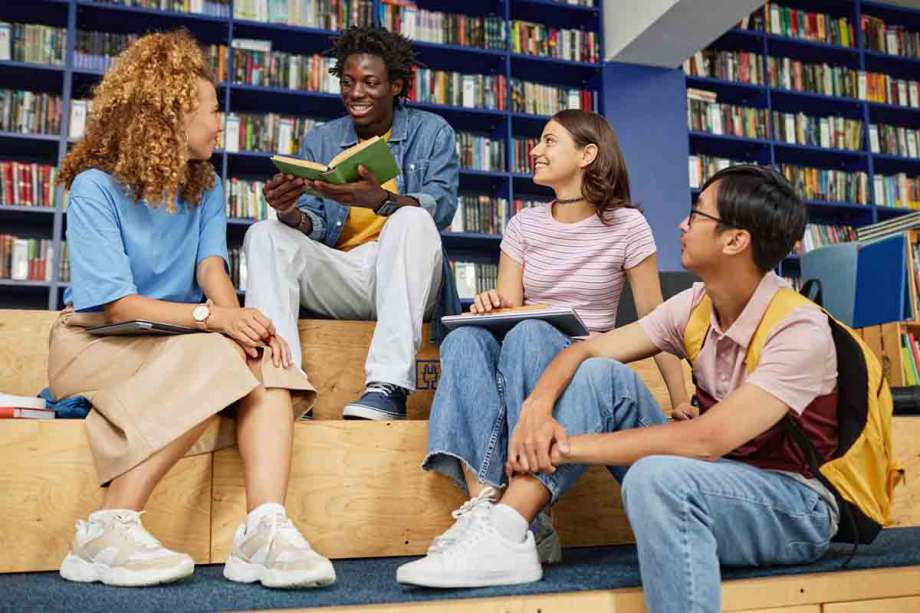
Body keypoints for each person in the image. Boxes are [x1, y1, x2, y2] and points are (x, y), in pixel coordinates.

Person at [398, 165, 841, 610]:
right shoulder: (695, 305)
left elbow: (708, 440)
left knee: (658, 476)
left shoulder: (798, 327)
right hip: (711, 478)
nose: (681, 224)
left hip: (792, 505)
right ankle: (508, 530)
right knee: (601, 377)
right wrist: (536, 410)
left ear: (734, 240)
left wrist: (562, 446)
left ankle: (507, 528)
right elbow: (583, 353)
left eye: (696, 214)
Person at [52, 30, 335, 589]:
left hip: (177, 339)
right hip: (97, 342)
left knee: (266, 359)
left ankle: (265, 530)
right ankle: (106, 529)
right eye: (211, 110)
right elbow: (113, 306)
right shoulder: (93, 187)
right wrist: (216, 321)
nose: (218, 123)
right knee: (216, 358)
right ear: (170, 116)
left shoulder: (206, 186)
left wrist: (243, 324)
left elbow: (211, 271)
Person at [416, 110, 691, 571]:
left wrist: (680, 395)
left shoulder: (627, 226)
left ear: (587, 155)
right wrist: (489, 304)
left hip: (578, 361)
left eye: (548, 141)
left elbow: (654, 317)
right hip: (519, 347)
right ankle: (488, 507)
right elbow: (509, 303)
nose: (535, 150)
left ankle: (528, 504)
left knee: (530, 332)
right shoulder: (523, 225)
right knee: (462, 341)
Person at [243, 25, 460, 420]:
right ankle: (282, 383)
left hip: (405, 279)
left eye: (370, 82)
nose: (356, 93)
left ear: (396, 85)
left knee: (412, 218)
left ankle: (388, 386)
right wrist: (290, 211)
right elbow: (318, 225)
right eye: (347, 81)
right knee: (263, 233)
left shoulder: (431, 133)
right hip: (344, 274)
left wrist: (381, 201)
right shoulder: (322, 139)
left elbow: (441, 208)